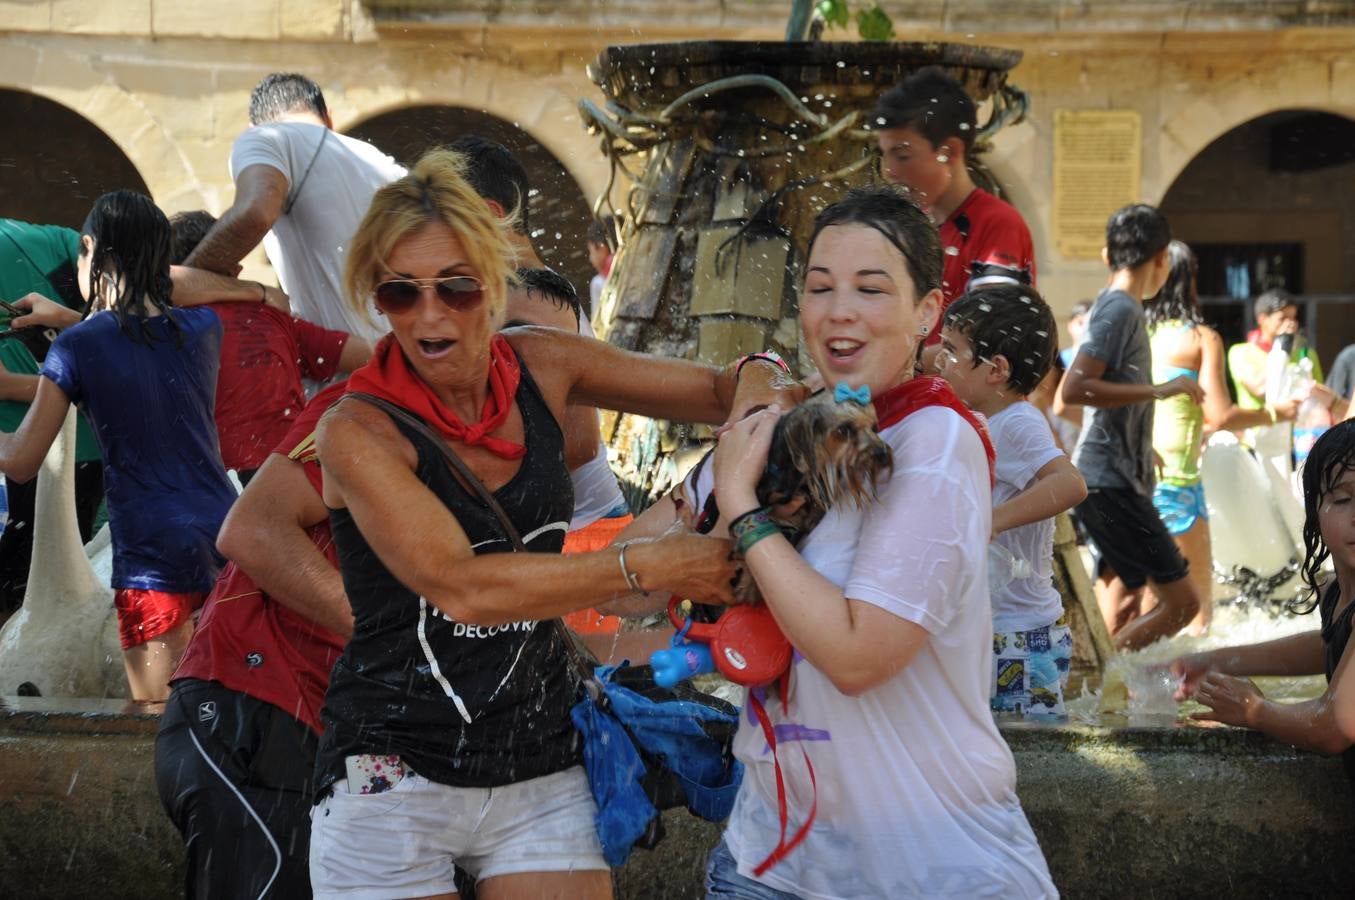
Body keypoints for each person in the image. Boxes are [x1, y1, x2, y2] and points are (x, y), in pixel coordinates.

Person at [307, 148, 791, 900]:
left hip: (535, 756)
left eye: (457, 288)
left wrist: (763, 379)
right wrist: (651, 567)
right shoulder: (356, 430)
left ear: (493, 284)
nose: (429, 314)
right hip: (392, 767)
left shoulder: (544, 364)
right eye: (401, 293)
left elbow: (718, 386)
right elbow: (461, 586)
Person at [703, 185, 1055, 898]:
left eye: (870, 288)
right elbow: (656, 566)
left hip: (927, 866)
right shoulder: (798, 427)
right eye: (818, 287)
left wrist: (742, 505)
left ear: (926, 311)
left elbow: (858, 657)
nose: (838, 310)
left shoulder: (933, 440)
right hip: (769, 861)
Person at [0, 191, 237, 700]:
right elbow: (145, 330)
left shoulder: (79, 347)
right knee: (217, 705)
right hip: (224, 534)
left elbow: (20, 460)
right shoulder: (204, 329)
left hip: (151, 556)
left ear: (88, 248)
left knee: (155, 722)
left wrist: (66, 335)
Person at [156, 384, 351, 899]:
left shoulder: (518, 450)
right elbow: (251, 530)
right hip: (247, 710)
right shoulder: (372, 401)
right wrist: (402, 635)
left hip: (327, 732)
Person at [1169, 420, 1355, 779]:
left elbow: (1334, 727)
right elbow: (1332, 645)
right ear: (1314, 511)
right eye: (1344, 499)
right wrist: (1216, 660)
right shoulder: (1337, 592)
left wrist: (1255, 710)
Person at [938, 284, 1087, 717]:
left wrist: (992, 519)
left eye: (951, 350)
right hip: (989, 628)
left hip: (1019, 636)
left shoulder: (1019, 421)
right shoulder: (977, 418)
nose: (939, 360)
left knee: (1026, 759)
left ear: (996, 369)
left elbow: (1070, 483)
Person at [1061, 204, 1205, 652]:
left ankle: (1097, 699)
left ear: (1107, 255)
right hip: (1110, 484)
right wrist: (1160, 390)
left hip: (1111, 478)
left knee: (1123, 595)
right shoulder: (1120, 309)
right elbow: (1075, 388)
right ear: (1162, 257)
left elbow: (1102, 395)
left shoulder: (1117, 306)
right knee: (1182, 604)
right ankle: (1108, 677)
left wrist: (1143, 448)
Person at [1144, 241, 1300, 634]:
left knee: (1150, 594)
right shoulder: (1199, 338)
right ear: (1189, 280)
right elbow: (1221, 414)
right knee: (1198, 609)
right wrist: (1275, 413)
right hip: (1178, 477)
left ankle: (1127, 683)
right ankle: (1179, 686)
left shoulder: (1137, 332)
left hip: (1138, 473)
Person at [183, 72, 406, 343]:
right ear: (329, 117)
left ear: (253, 124)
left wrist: (183, 282)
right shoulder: (382, 163)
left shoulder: (265, 137)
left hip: (343, 378)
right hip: (399, 370)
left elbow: (257, 211)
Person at [168, 210, 371, 483]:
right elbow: (368, 355)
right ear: (235, 269)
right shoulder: (272, 316)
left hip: (213, 488)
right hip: (295, 474)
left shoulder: (158, 333)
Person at [869, 66, 1036, 340]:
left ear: (949, 152)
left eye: (902, 155)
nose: (889, 171)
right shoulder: (912, 226)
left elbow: (984, 342)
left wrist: (890, 360)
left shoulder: (998, 224)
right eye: (885, 155)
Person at [0, 217, 104, 622]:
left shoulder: (54, 244)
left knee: (41, 605)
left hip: (64, 455)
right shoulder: (59, 241)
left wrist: (16, 387)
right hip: (75, 454)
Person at [1227, 288, 1322, 412]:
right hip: (1259, 428)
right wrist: (1283, 346)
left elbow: (1318, 394)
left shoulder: (1306, 354)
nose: (1290, 323)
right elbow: (1260, 389)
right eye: (1282, 318)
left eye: (1293, 318)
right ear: (1262, 319)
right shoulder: (1240, 352)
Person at [586, 216, 615, 315]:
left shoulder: (598, 283)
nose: (590, 258)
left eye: (591, 251)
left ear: (601, 247)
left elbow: (596, 324)